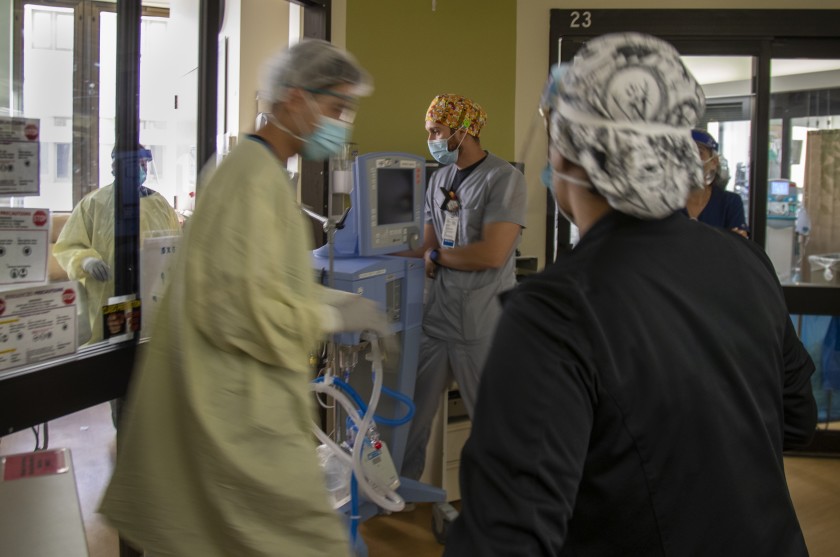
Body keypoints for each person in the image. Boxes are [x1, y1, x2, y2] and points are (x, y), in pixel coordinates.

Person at [444, 33, 817, 556]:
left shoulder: (557, 310)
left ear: (572, 156)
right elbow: (797, 422)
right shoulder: (745, 262)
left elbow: (506, 535)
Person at [100, 40, 390, 557]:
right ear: (294, 99)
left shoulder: (262, 173)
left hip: (242, 397)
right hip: (232, 410)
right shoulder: (251, 178)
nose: (341, 122)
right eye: (335, 107)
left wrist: (330, 306)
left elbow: (261, 283)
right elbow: (237, 310)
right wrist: (327, 313)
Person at [400, 93, 527, 482]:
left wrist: (437, 259)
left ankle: (509, 505)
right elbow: (425, 245)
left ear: (463, 130)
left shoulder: (504, 179)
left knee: (493, 423)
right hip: (437, 319)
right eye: (428, 132)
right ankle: (401, 492)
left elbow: (492, 254)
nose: (432, 140)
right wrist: (366, 255)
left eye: (437, 131)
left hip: (480, 323)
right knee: (411, 416)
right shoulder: (438, 178)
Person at [53, 146, 181, 344]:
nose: (140, 168)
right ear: (114, 167)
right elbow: (68, 246)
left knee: (147, 346)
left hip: (153, 291)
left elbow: (174, 247)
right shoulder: (93, 203)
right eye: (134, 163)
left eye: (143, 163)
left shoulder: (160, 205)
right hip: (111, 292)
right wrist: (86, 261)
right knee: (114, 349)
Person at [681, 128, 749, 237]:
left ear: (714, 162)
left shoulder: (730, 203)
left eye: (699, 152)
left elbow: (737, 247)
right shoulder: (666, 204)